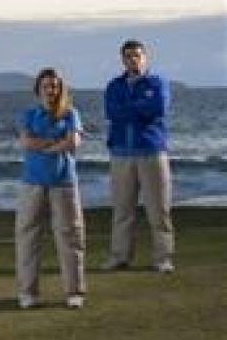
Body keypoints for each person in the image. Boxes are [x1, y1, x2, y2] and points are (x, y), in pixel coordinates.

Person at [102, 39, 174, 273]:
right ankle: (120, 256)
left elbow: (158, 108)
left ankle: (163, 258)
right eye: (128, 56)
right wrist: (139, 108)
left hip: (151, 152)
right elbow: (112, 112)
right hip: (121, 154)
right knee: (122, 210)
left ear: (145, 57)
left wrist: (129, 109)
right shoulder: (114, 86)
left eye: (137, 55)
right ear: (122, 59)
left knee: (158, 210)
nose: (133, 59)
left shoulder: (158, 82)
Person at [16, 68, 86, 310]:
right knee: (28, 238)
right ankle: (28, 293)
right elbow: (25, 141)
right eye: (46, 85)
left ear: (60, 88)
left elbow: (73, 142)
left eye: (55, 85)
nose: (50, 90)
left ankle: (74, 292)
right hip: (32, 183)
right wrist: (55, 143)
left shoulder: (70, 113)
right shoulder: (29, 114)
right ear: (38, 89)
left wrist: (44, 146)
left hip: (63, 182)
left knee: (70, 238)